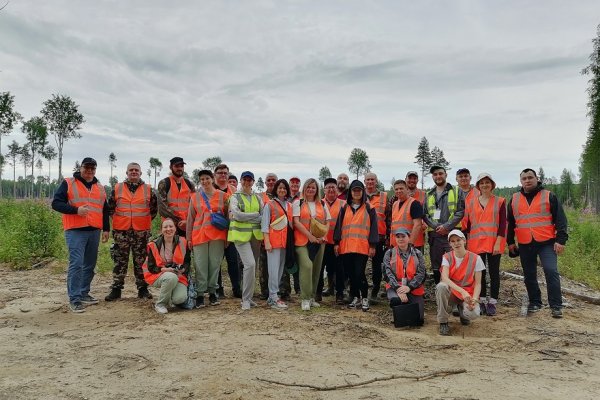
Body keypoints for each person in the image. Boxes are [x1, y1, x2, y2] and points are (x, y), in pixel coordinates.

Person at [507, 168, 568, 318]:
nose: (527, 180)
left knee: (551, 271)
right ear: (521, 181)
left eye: (530, 177)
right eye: (524, 178)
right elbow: (510, 223)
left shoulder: (548, 196)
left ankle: (556, 305)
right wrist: (510, 242)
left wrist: (561, 240)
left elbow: (561, 219)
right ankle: (535, 302)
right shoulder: (514, 199)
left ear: (537, 178)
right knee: (529, 274)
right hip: (525, 243)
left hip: (546, 242)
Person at [51, 157, 110, 313]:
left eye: (93, 168)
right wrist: (76, 210)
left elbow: (104, 209)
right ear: (80, 168)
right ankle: (75, 299)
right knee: (76, 264)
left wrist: (106, 229)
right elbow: (56, 203)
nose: (89, 171)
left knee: (89, 265)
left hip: (94, 231)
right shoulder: (69, 183)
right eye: (87, 168)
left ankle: (84, 292)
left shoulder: (100, 187)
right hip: (75, 230)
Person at [105, 162, 157, 302]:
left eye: (136, 170)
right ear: (126, 173)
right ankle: (116, 289)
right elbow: (110, 208)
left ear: (141, 173)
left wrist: (141, 221)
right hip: (122, 232)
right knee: (120, 260)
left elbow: (153, 210)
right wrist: (121, 221)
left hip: (141, 232)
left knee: (141, 260)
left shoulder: (148, 189)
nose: (134, 172)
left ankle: (142, 288)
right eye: (131, 170)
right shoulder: (117, 188)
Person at [464, 173, 506, 316]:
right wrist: (467, 244)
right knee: (479, 274)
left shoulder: (499, 201)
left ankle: (492, 302)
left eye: (487, 182)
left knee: (494, 273)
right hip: (476, 243)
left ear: (492, 185)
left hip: (494, 242)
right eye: (481, 183)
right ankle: (480, 301)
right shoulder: (471, 203)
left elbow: (502, 225)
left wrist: (498, 242)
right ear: (478, 186)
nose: (484, 185)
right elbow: (468, 225)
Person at [334, 180, 378, 311]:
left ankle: (364, 298)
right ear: (350, 192)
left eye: (359, 190)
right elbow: (338, 227)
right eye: (354, 190)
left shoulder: (369, 208)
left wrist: (373, 246)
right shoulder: (344, 208)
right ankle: (355, 297)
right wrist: (336, 243)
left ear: (363, 192)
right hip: (346, 247)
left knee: (359, 273)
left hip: (361, 247)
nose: (357, 193)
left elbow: (374, 228)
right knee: (350, 274)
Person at [187, 169, 228, 308]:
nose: (204, 181)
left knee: (215, 265)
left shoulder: (223, 196)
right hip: (199, 236)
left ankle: (212, 292)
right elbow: (190, 219)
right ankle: (199, 295)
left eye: (207, 178)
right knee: (200, 265)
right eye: (202, 179)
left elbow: (228, 217)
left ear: (212, 179)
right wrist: (188, 238)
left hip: (218, 236)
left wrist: (228, 237)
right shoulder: (195, 197)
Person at [293, 178, 331, 311]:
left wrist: (324, 235)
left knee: (316, 269)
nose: (311, 189)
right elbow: (296, 222)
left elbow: (327, 221)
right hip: (302, 241)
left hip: (320, 242)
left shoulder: (322, 203)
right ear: (304, 188)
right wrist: (310, 236)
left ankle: (312, 297)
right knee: (307, 266)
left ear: (317, 190)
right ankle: (304, 298)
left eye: (313, 187)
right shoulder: (298, 203)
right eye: (308, 187)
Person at [436, 230, 484, 336]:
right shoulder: (447, 257)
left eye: (458, 240)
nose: (456, 243)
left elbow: (478, 284)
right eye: (452, 241)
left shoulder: (476, 258)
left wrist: (474, 299)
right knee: (441, 286)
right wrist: (461, 291)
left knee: (473, 314)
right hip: (454, 292)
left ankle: (463, 311)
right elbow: (444, 278)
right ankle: (443, 321)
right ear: (449, 244)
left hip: (468, 293)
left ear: (464, 241)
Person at [228, 171, 264, 310]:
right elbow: (236, 215)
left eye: (250, 180)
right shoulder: (234, 197)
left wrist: (250, 216)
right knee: (250, 264)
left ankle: (249, 297)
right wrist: (255, 215)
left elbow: (263, 216)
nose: (247, 182)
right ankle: (245, 300)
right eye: (245, 180)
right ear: (241, 181)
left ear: (253, 182)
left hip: (255, 236)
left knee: (252, 267)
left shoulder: (257, 197)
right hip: (240, 236)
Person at [423, 165, 465, 284]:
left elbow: (460, 211)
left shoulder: (457, 190)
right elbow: (425, 214)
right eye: (435, 174)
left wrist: (447, 226)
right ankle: (439, 290)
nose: (438, 176)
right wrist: (437, 227)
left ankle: (455, 294)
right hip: (435, 235)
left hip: (452, 234)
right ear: (432, 177)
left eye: (440, 173)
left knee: (455, 262)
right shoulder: (428, 194)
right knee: (436, 264)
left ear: (446, 174)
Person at [142, 218, 191, 314]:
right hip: (157, 274)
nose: (168, 229)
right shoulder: (154, 244)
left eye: (171, 226)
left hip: (179, 275)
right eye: (165, 227)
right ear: (161, 230)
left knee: (179, 299)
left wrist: (183, 269)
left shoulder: (183, 242)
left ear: (175, 228)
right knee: (170, 277)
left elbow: (187, 262)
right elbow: (151, 267)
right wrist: (165, 269)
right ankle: (160, 304)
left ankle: (169, 297)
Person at [261, 178, 293, 309]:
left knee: (280, 270)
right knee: (273, 270)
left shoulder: (289, 205)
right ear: (276, 189)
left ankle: (273, 296)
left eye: (284, 188)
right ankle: (273, 296)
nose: (282, 190)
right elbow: (264, 225)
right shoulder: (269, 204)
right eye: (280, 188)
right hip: (273, 243)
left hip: (285, 242)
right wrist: (267, 242)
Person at [384, 227, 426, 325]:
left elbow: (422, 274)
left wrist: (409, 287)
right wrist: (398, 288)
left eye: (403, 236)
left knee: (419, 320)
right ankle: (397, 312)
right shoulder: (389, 253)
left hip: (413, 287)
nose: (400, 239)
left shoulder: (418, 253)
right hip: (395, 286)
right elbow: (387, 273)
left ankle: (406, 308)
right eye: (398, 237)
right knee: (396, 300)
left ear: (409, 238)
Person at [214, 164, 242, 298]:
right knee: (216, 263)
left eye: (225, 173)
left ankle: (237, 289)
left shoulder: (234, 191)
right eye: (220, 173)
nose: (223, 175)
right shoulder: (209, 189)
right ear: (215, 175)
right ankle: (218, 289)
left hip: (232, 233)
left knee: (233, 262)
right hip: (215, 232)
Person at [317, 177, 346, 304]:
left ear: (337, 189)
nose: (331, 190)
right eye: (328, 187)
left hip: (337, 243)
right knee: (319, 268)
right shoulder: (319, 203)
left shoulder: (343, 204)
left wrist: (338, 242)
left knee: (339, 269)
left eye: (333, 187)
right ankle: (318, 292)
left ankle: (339, 294)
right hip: (322, 242)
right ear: (324, 190)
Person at [364, 172, 389, 301]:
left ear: (376, 181)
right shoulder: (359, 196)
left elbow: (389, 218)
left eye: (372, 179)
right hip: (362, 236)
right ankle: (360, 290)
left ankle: (375, 291)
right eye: (368, 179)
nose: (370, 182)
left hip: (379, 237)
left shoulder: (384, 196)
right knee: (360, 265)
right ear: (364, 181)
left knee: (376, 266)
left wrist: (389, 236)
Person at [157, 157, 195, 236]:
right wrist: (179, 221)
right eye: (177, 166)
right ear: (171, 167)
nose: (180, 168)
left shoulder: (189, 184)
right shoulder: (164, 183)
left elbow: (194, 205)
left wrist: (188, 221)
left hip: (186, 224)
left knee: (186, 247)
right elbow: (162, 207)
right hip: (169, 225)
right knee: (170, 248)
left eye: (181, 166)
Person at [280, 176, 302, 298]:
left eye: (297, 183)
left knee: (298, 261)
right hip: (286, 234)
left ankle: (299, 289)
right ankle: (285, 290)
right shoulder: (284, 198)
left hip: (298, 234)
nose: (294, 184)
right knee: (286, 261)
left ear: (299, 185)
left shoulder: (302, 198)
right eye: (292, 182)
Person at [258, 172, 278, 300]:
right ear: (265, 183)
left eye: (273, 180)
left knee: (279, 266)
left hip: (278, 238)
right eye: (269, 180)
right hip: (263, 237)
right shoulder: (260, 197)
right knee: (263, 266)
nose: (271, 182)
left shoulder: (282, 196)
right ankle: (265, 292)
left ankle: (282, 291)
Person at [389, 180, 423, 250]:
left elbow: (418, 225)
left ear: (407, 189)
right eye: (396, 189)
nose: (399, 191)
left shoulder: (414, 203)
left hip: (411, 245)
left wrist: (410, 244)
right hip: (397, 244)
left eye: (401, 188)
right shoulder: (395, 204)